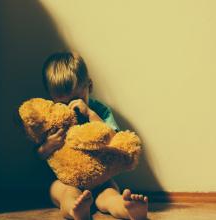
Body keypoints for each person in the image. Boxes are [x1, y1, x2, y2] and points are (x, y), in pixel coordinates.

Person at [38, 51, 148, 220]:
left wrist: (91, 114)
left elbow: (115, 141)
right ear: (51, 97)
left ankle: (126, 208)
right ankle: (75, 210)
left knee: (110, 193)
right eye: (62, 102)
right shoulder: (51, 117)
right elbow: (38, 154)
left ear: (89, 86)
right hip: (66, 181)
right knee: (62, 192)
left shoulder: (100, 110)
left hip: (100, 179)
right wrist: (48, 146)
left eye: (77, 98)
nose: (71, 107)